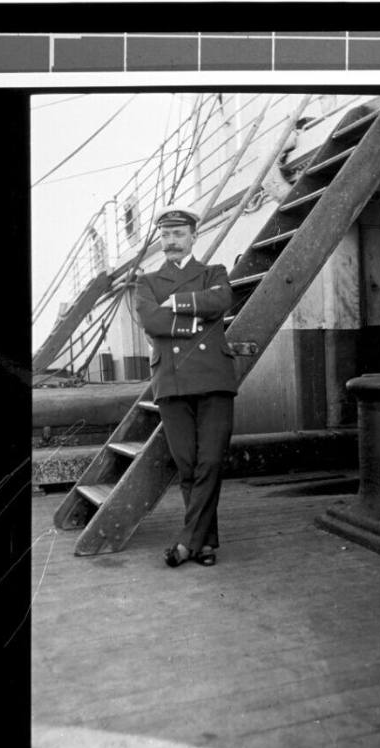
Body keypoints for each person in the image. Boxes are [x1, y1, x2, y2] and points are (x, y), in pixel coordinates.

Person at [135, 204, 238, 567]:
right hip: (172, 382)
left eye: (178, 234)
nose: (171, 241)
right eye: (165, 235)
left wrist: (177, 301)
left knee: (210, 461)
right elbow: (151, 319)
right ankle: (204, 544)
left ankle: (186, 544)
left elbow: (222, 300)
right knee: (189, 464)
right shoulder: (146, 281)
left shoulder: (214, 272)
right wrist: (194, 323)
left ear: (194, 235)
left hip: (213, 379)